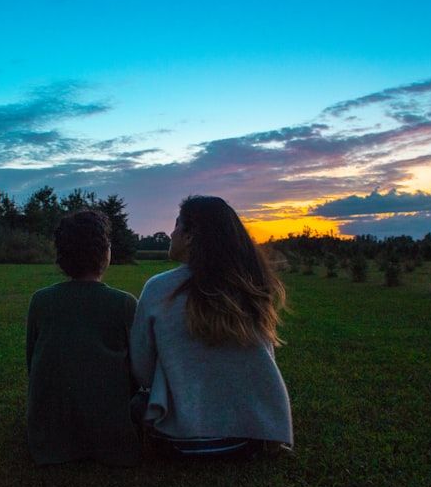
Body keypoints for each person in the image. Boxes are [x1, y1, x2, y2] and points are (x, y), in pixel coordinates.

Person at [130, 195, 293, 460]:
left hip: (178, 443)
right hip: (246, 441)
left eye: (176, 226)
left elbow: (141, 370)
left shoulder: (158, 288)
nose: (171, 234)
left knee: (136, 399)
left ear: (190, 237)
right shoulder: (249, 286)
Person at [25, 210, 140, 466]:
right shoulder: (123, 303)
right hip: (111, 438)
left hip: (48, 439)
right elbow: (139, 370)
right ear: (105, 252)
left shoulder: (40, 301)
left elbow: (32, 363)